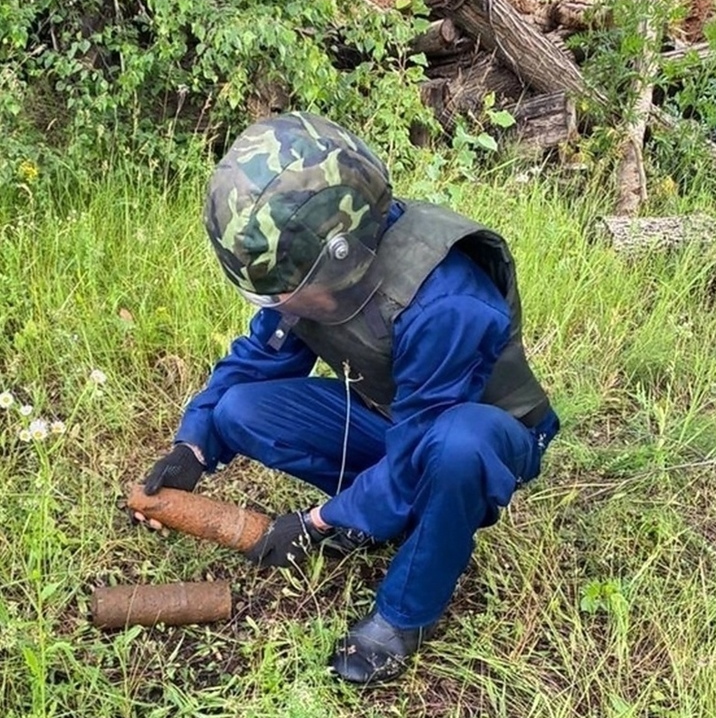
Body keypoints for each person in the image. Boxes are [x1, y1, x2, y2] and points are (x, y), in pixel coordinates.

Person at [138, 111, 559, 686]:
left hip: (483, 432)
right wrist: (194, 445)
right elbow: (256, 362)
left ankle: (402, 616)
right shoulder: (315, 281)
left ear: (337, 253)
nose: (278, 301)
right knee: (240, 410)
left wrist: (317, 522)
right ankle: (377, 514)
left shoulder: (446, 302)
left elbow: (421, 446)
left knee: (457, 449)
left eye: (284, 287)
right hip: (393, 420)